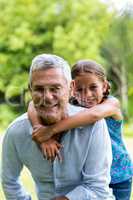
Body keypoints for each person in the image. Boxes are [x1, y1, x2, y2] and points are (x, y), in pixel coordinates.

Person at [1, 54, 115, 200]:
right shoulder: (16, 132)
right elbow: (10, 182)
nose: (47, 97)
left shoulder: (94, 126)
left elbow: (98, 189)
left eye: (55, 88)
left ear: (71, 88)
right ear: (30, 90)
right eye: (39, 89)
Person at [29, 60, 133, 200]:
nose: (86, 95)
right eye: (79, 89)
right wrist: (40, 132)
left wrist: (50, 131)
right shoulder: (73, 104)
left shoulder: (111, 104)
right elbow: (31, 105)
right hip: (88, 175)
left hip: (118, 176)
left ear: (105, 86)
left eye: (93, 87)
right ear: (71, 88)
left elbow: (93, 115)